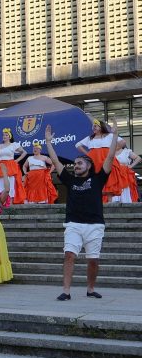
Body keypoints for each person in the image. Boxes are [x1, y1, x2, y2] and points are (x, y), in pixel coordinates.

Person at [46, 120, 118, 301]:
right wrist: (48, 143)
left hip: (95, 225)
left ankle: (91, 289)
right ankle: (66, 291)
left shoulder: (99, 178)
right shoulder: (70, 180)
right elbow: (55, 161)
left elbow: (109, 158)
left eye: (79, 163)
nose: (76, 165)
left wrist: (114, 136)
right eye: (75, 164)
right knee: (69, 255)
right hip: (74, 224)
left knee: (93, 260)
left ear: (89, 166)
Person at [76, 119, 125, 202]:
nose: (94, 127)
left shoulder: (109, 135)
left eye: (96, 125)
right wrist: (88, 154)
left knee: (109, 177)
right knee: (94, 178)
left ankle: (110, 201)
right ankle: (96, 200)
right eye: (93, 126)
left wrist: (113, 150)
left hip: (106, 158)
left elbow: (122, 142)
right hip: (94, 160)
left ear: (101, 127)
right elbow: (77, 145)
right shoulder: (90, 138)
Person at [0, 128, 26, 204]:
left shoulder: (14, 145)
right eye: (3, 135)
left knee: (10, 183)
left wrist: (16, 160)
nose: (4, 136)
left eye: (6, 135)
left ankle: (10, 203)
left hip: (10, 166)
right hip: (1, 165)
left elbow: (24, 152)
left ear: (9, 136)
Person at [112, 139, 140, 203]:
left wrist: (131, 166)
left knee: (125, 189)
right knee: (113, 190)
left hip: (124, 174)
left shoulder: (126, 151)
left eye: (118, 143)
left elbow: (138, 158)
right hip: (113, 175)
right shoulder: (110, 152)